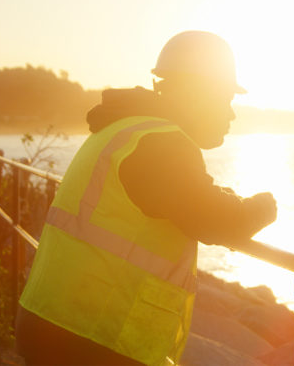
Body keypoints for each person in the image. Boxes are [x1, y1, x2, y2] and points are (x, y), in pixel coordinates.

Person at [15, 31, 277, 365]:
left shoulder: (127, 130)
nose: (231, 114)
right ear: (198, 94)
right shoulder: (159, 143)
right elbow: (215, 219)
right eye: (226, 99)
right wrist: (265, 207)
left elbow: (188, 196)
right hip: (93, 340)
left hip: (59, 326)